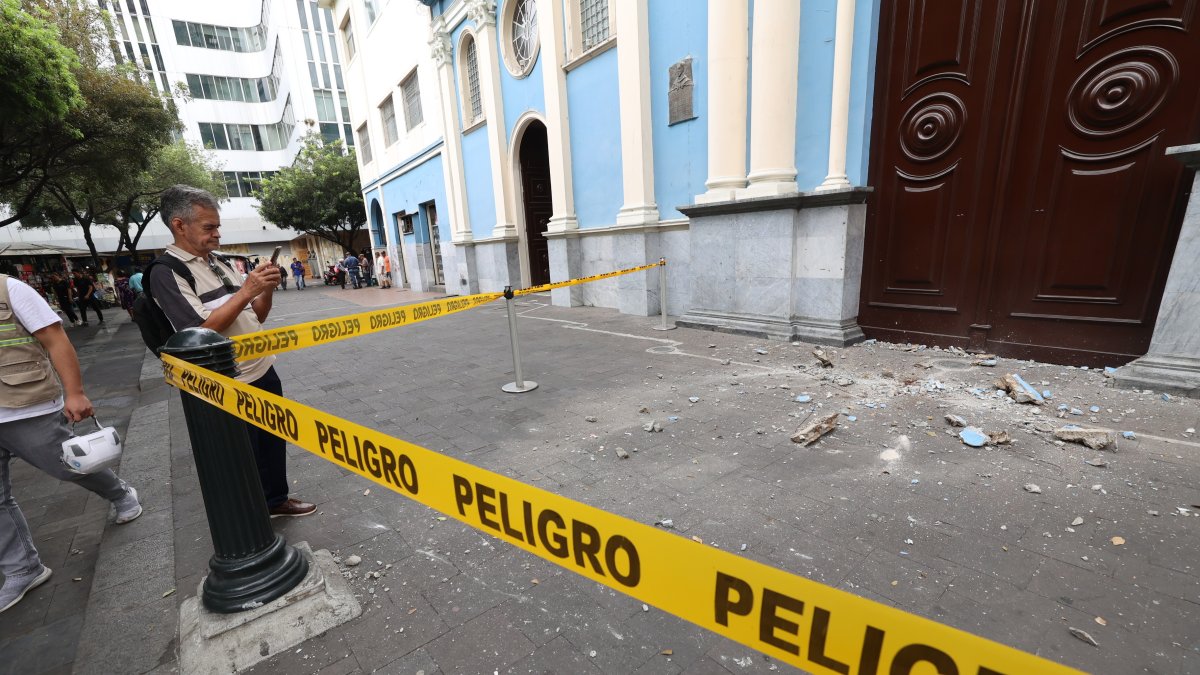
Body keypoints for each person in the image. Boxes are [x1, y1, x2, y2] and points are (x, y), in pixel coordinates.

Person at [147, 185, 314, 518]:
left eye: (217, 226)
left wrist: (264, 290)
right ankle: (250, 518)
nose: (217, 234)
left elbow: (255, 313)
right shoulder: (166, 273)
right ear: (180, 226)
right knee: (243, 454)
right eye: (209, 227)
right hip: (228, 382)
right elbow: (199, 333)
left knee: (271, 441)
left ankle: (275, 500)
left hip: (263, 368)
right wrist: (247, 290)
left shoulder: (220, 263)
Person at [0, 273, 142, 614]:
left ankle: (120, 493)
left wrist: (75, 392)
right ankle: (22, 568)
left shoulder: (10, 289)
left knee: (70, 467)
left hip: (26, 405)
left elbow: (55, 339)